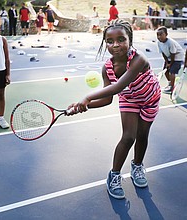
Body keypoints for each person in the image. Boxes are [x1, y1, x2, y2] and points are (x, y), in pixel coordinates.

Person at [67, 20, 161, 199]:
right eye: (110, 41)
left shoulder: (139, 59)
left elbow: (117, 87)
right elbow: (107, 99)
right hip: (130, 99)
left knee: (142, 136)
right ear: (105, 43)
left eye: (121, 39)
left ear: (130, 40)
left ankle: (137, 166)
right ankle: (114, 175)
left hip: (150, 99)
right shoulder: (107, 68)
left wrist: (87, 97)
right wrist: (84, 106)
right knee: (128, 137)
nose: (115, 45)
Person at [157, 26, 184, 94]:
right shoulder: (159, 42)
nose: (159, 36)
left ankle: (172, 88)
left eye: (161, 34)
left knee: (172, 72)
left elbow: (173, 54)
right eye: (158, 35)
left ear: (166, 34)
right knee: (165, 71)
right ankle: (170, 84)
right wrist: (167, 62)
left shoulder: (170, 42)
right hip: (169, 57)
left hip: (177, 57)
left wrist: (170, 64)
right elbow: (163, 53)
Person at [0, 15, 10, 129]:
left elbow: (6, 59)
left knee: (1, 95)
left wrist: (8, 74)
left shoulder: (2, 40)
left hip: (1, 72)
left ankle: (1, 118)